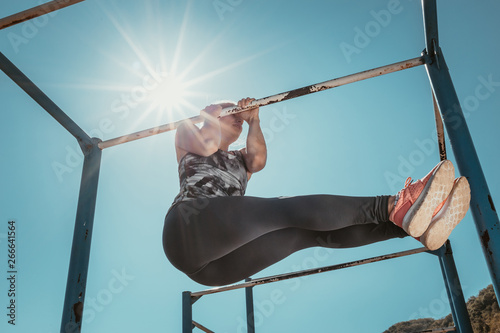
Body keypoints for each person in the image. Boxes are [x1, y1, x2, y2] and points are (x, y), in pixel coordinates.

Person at [162, 98, 471, 287]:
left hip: (215, 266)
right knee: (283, 209)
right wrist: (210, 113)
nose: (237, 119)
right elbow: (207, 144)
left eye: (239, 118)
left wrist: (254, 120)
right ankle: (394, 206)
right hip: (188, 227)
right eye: (234, 113)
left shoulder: (240, 159)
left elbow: (259, 160)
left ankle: (407, 225)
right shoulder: (187, 134)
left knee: (303, 234)